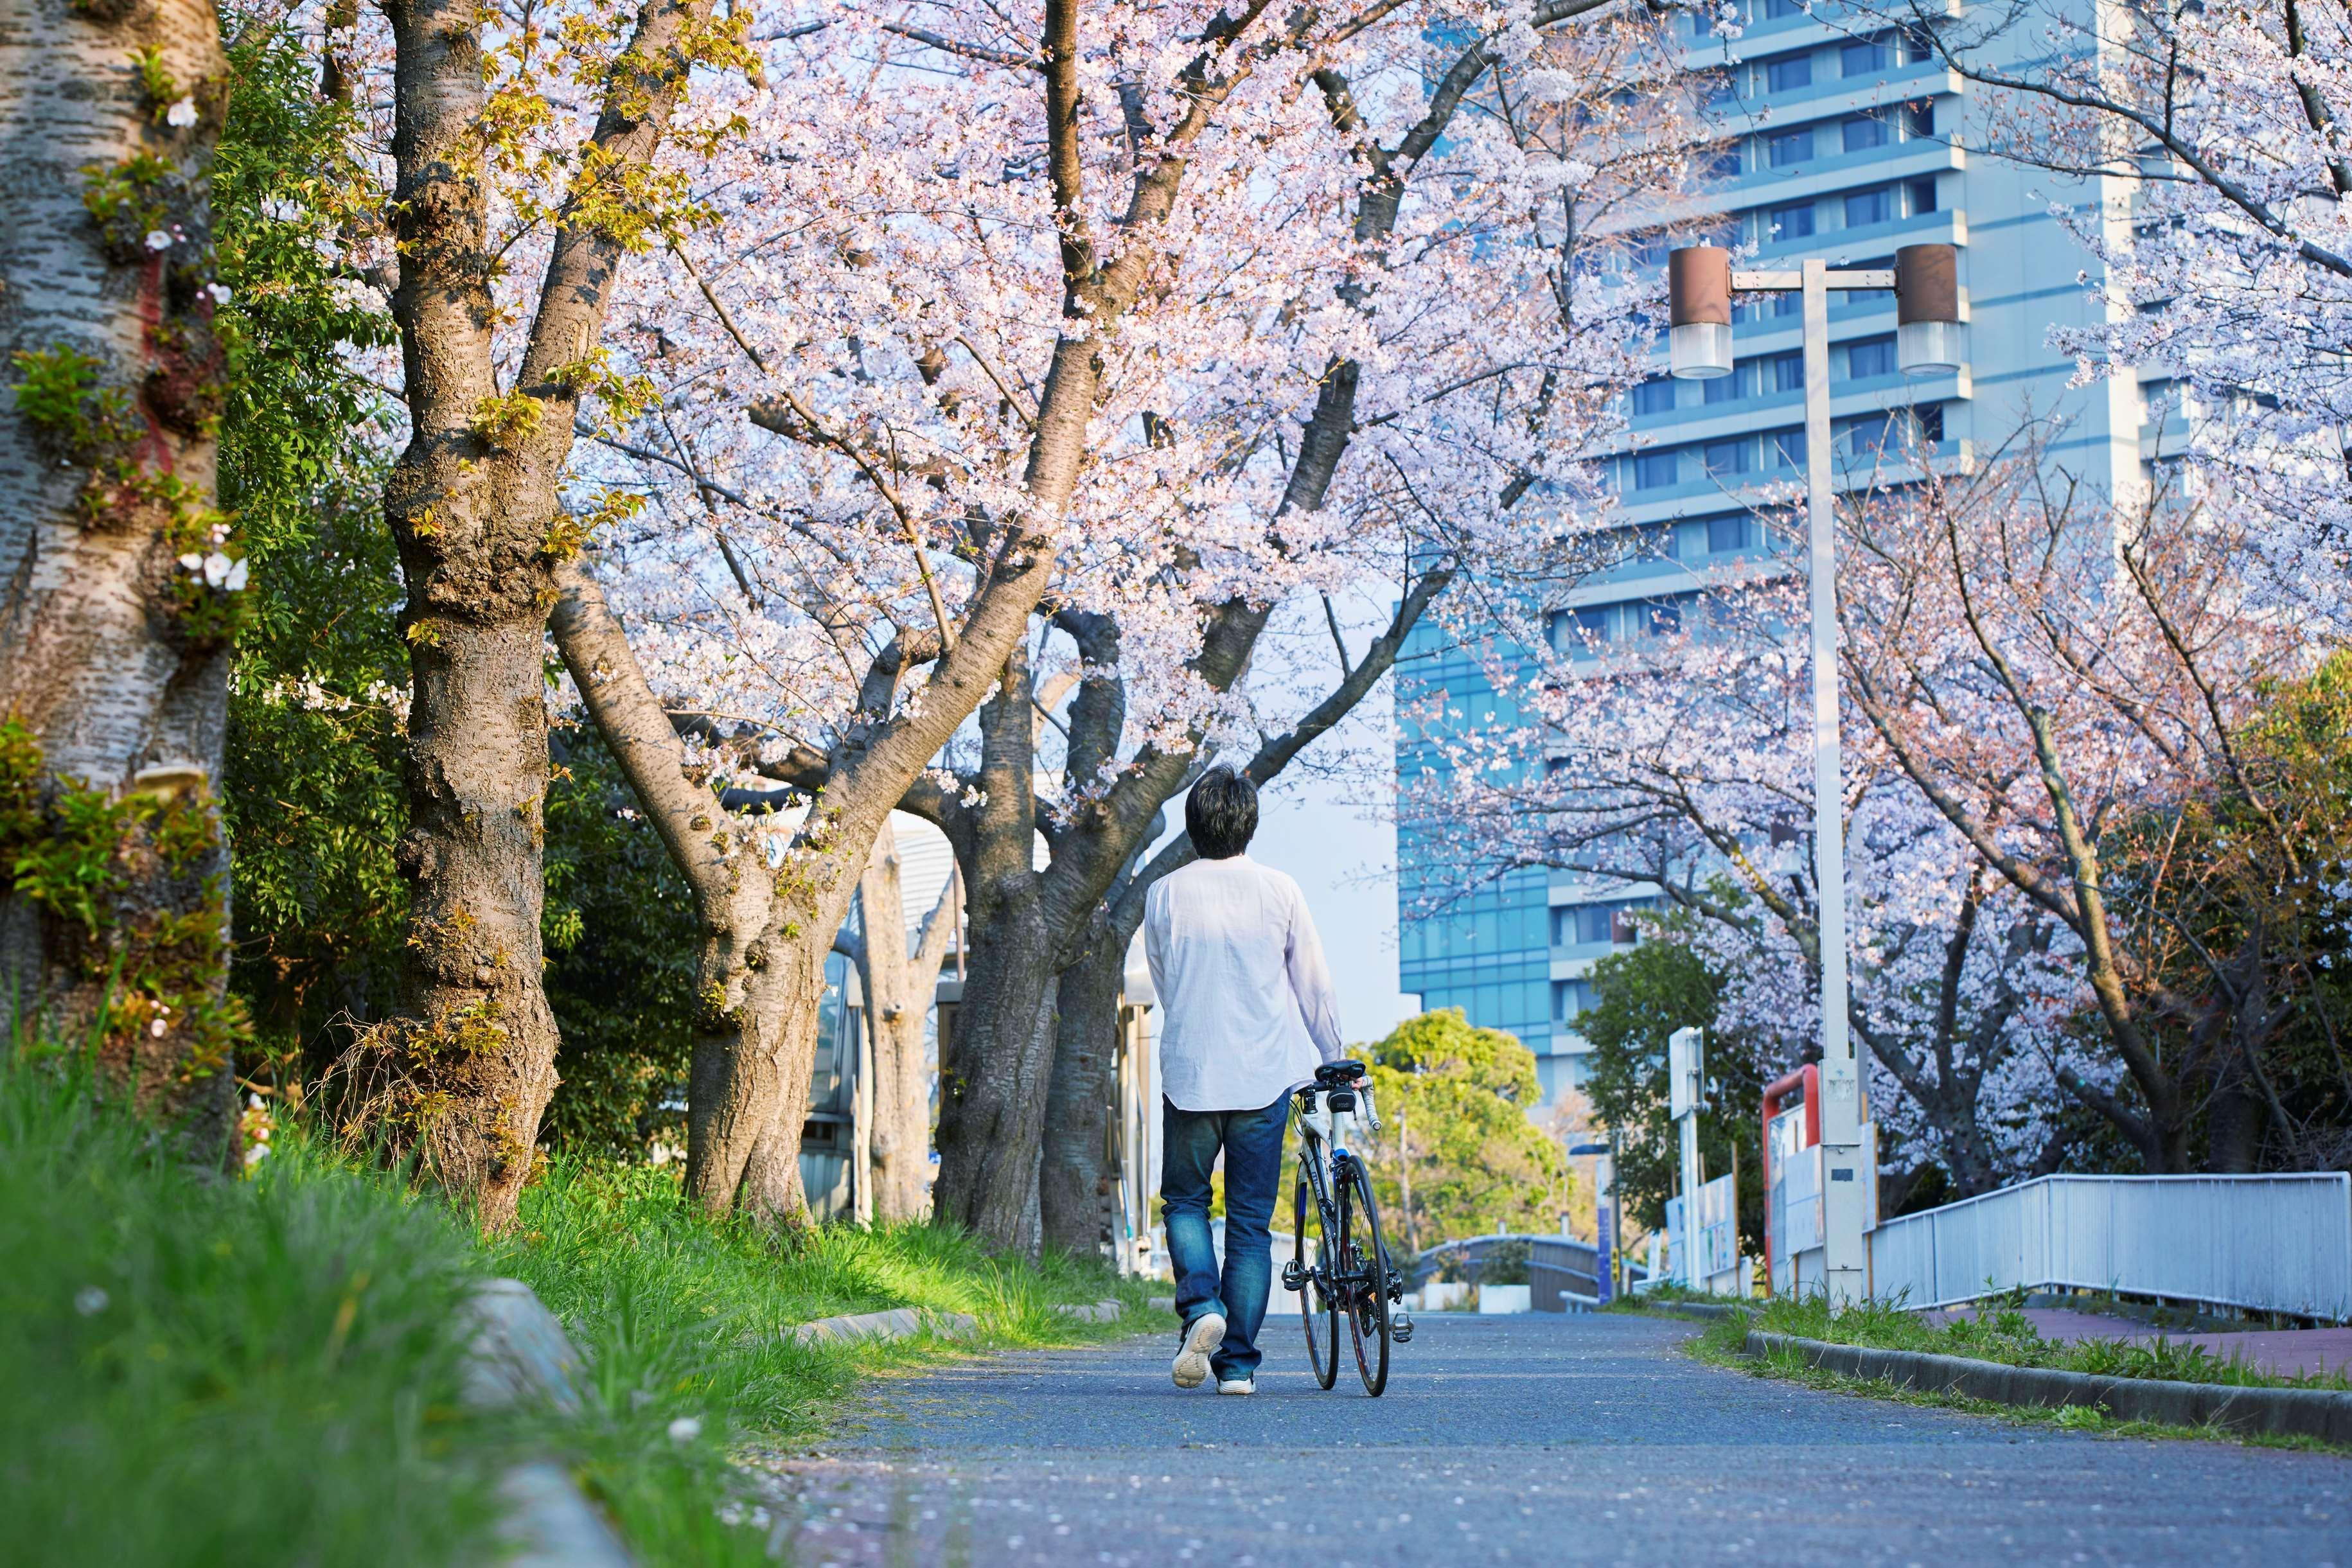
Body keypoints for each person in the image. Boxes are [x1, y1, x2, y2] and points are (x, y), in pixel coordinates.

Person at [1146, 764, 1345, 1395]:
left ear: (1193, 823)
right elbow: (1312, 980)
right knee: (1250, 1222)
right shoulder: (1279, 889)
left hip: (1192, 1072)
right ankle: (1236, 1366)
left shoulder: (1163, 892)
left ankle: (1201, 1306)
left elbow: (1162, 976)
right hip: (1263, 1075)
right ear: (1249, 822)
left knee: (1185, 1202)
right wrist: (1333, 1054)